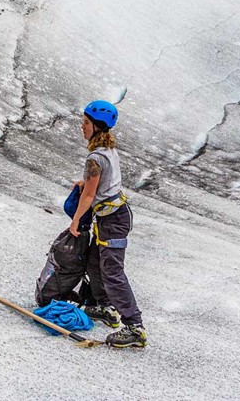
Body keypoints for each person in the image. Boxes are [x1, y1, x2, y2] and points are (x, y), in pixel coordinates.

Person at [69, 100, 146, 348]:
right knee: (94, 263)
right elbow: (100, 185)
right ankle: (106, 308)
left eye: (86, 123)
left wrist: (75, 221)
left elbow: (89, 196)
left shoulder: (95, 158)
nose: (82, 127)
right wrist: (86, 184)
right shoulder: (107, 150)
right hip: (111, 216)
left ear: (97, 127)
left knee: (112, 272)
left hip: (113, 220)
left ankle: (135, 328)